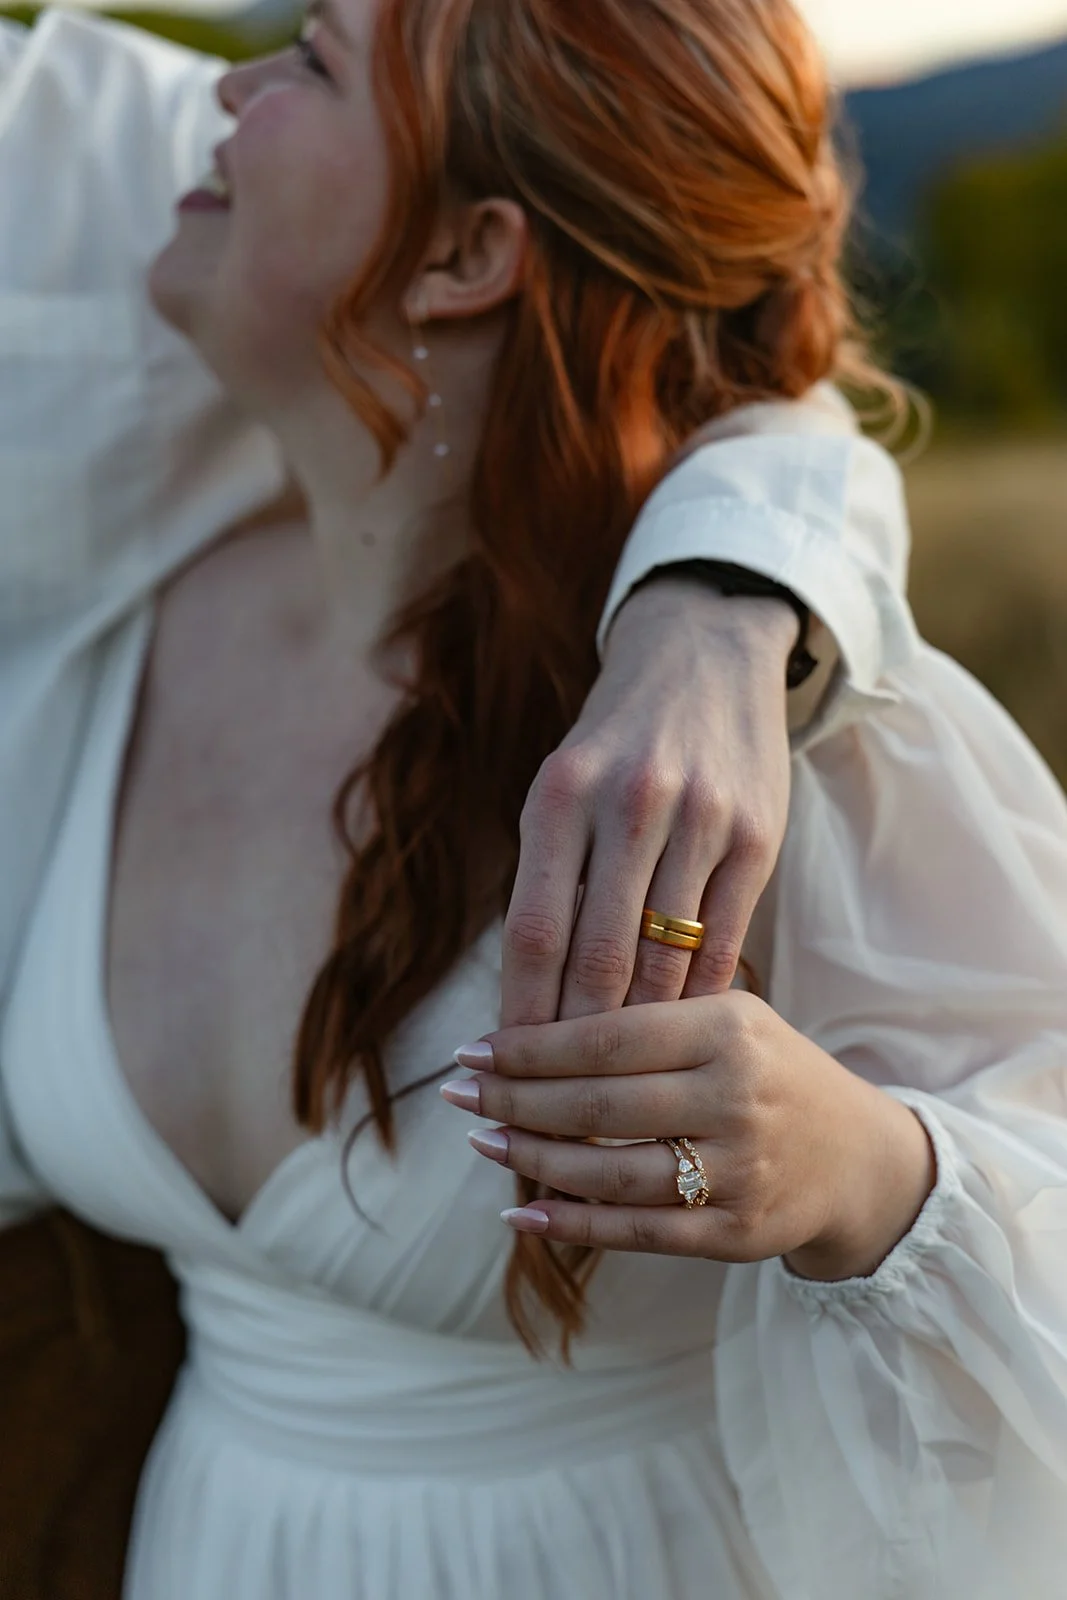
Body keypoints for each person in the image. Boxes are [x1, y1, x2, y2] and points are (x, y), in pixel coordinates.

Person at [2, 2, 1064, 1599]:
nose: (214, 89)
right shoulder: (119, 615)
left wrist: (848, 1169)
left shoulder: (744, 744)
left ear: (464, 255)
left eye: (302, 61)